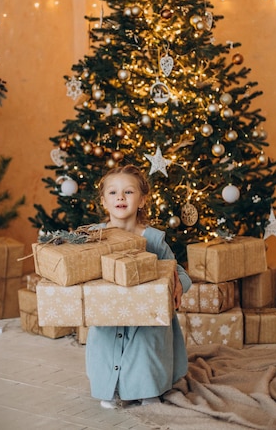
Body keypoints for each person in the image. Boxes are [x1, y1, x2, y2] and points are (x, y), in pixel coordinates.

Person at [85, 164, 192, 409]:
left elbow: (180, 273)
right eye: (112, 193)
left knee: (146, 342)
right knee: (104, 341)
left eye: (128, 192)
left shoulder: (153, 239)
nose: (120, 197)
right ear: (103, 201)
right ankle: (110, 387)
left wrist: (177, 284)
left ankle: (149, 386)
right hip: (108, 313)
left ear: (142, 200)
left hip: (146, 317)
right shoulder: (94, 237)